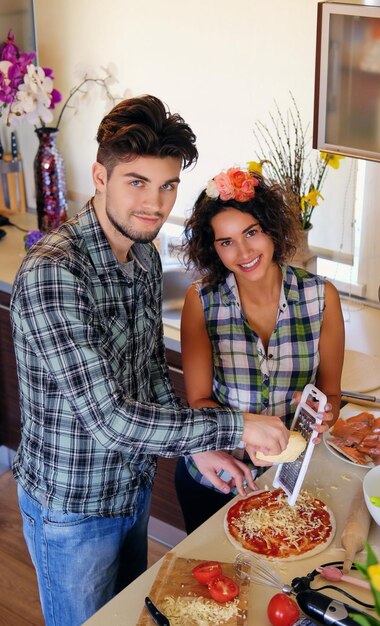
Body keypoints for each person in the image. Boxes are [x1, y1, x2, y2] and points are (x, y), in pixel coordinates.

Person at [10, 98, 289, 626]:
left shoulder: (143, 255)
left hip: (131, 489)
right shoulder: (55, 273)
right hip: (73, 509)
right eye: (137, 182)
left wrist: (204, 447)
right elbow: (112, 419)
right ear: (100, 175)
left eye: (167, 186)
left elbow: (148, 375)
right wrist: (237, 424)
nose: (155, 204)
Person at [175, 166, 345, 533]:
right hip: (217, 476)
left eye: (251, 232)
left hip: (290, 480)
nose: (244, 252)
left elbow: (331, 393)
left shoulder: (321, 298)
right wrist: (243, 434)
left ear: (271, 230)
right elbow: (200, 401)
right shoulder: (201, 301)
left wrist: (322, 415)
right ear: (212, 248)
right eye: (226, 242)